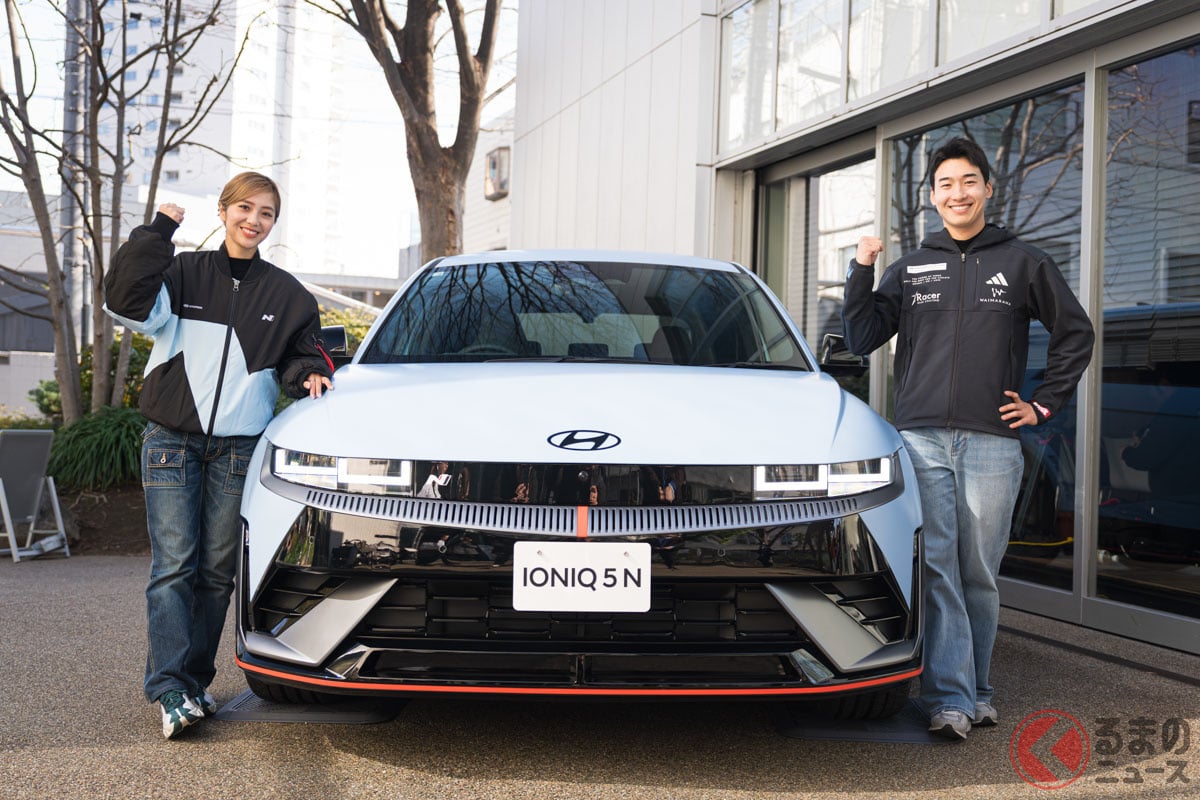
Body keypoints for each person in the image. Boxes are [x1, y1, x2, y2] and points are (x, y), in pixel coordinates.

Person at [842, 138, 1094, 741]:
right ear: (933, 197)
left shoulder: (1024, 263)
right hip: (923, 438)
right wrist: (862, 269)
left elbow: (1075, 333)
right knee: (938, 567)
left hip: (991, 441)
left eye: (968, 181)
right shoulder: (912, 268)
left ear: (987, 188)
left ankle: (976, 690)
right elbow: (861, 337)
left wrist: (1042, 404)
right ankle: (950, 698)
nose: (958, 193)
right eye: (946, 184)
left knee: (978, 571)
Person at [104, 172, 335, 739]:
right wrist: (158, 232)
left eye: (266, 213)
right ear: (224, 210)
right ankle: (168, 687)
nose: (254, 221)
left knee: (215, 573)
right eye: (245, 208)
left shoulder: (288, 295)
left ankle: (192, 682)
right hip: (171, 442)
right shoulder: (183, 272)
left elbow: (303, 355)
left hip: (237, 447)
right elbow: (126, 301)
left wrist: (309, 374)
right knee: (174, 565)